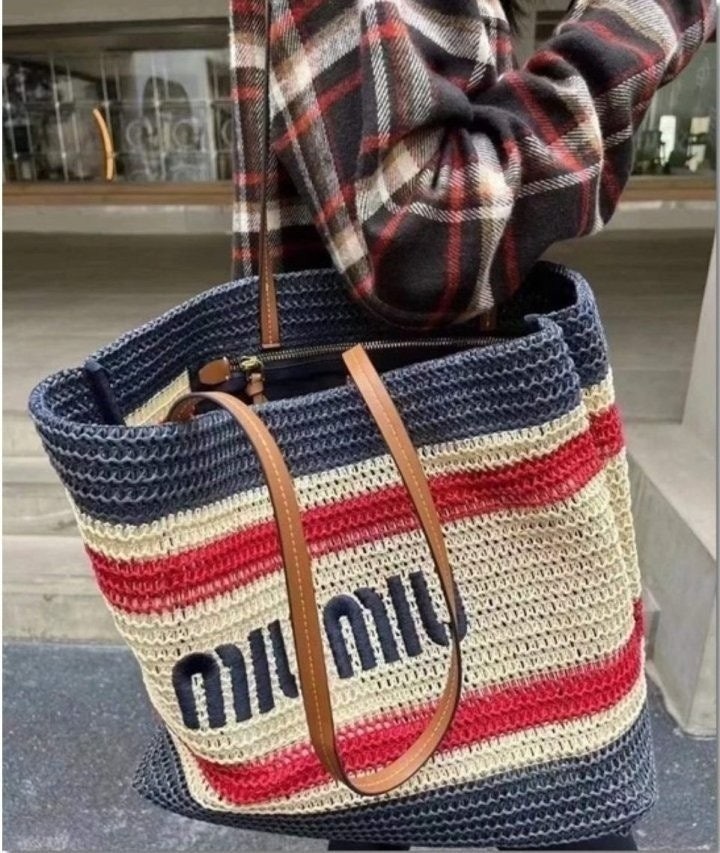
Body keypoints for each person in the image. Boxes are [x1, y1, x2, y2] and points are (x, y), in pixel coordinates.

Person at [227, 0, 715, 850]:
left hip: (383, 471)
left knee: (386, 776)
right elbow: (421, 231)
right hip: (439, 463)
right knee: (553, 798)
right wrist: (642, 22)